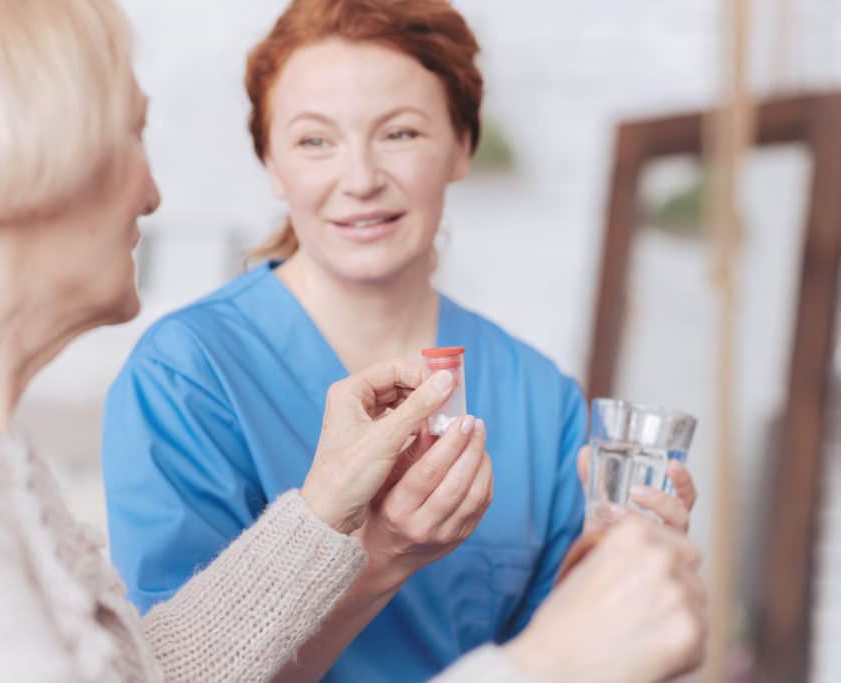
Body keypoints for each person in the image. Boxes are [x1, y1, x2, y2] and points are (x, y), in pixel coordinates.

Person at [0, 1, 705, 682]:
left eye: (400, 133)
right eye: (132, 135)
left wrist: (354, 532)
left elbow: (150, 670)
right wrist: (536, 669)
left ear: (460, 145)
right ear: (22, 154)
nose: (156, 192)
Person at [102, 1, 699, 681]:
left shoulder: (541, 399)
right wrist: (379, 556)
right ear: (271, 162)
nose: (359, 179)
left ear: (462, 147)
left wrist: (614, 583)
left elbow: (566, 654)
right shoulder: (186, 376)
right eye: (314, 141)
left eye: (401, 133)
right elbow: (175, 673)